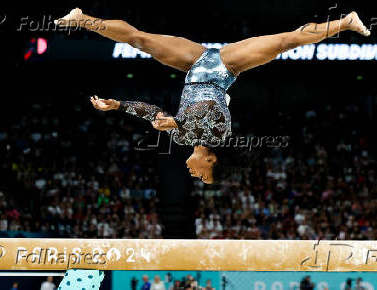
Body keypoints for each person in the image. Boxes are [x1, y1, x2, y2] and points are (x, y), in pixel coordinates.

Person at [55, 8, 370, 184]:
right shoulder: (220, 134)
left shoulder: (182, 141)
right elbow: (206, 108)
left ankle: (81, 18)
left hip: (194, 64)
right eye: (205, 177)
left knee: (141, 40)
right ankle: (345, 21)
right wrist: (176, 123)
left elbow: (152, 113)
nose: (196, 176)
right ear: (212, 160)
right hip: (226, 67)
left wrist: (118, 105)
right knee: (284, 42)